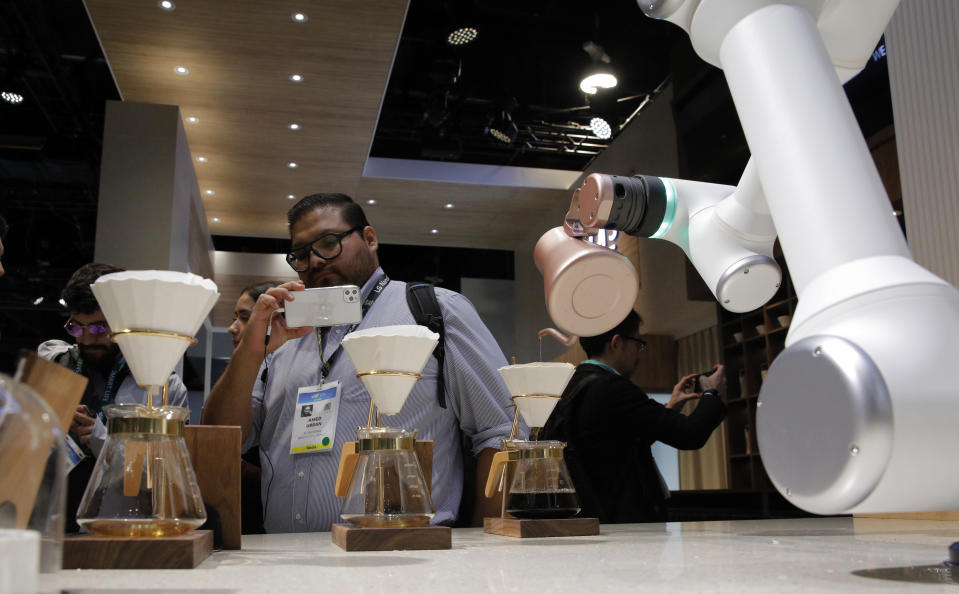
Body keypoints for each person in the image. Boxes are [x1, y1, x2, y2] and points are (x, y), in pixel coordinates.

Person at [202, 193, 517, 532]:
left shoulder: (433, 311)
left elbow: (502, 433)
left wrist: (486, 548)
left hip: (405, 559)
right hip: (287, 562)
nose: (316, 260)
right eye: (302, 254)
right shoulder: (281, 334)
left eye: (328, 242)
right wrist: (249, 350)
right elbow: (220, 438)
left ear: (369, 238)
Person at [38, 262, 190, 532]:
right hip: (47, 527)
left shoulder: (161, 387)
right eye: (76, 327)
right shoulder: (52, 366)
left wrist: (98, 437)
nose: (86, 339)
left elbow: (167, 476)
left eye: (99, 329)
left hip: (121, 529)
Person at [541, 310, 727, 524]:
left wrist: (670, 409)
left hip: (588, 519)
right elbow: (689, 434)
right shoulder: (612, 387)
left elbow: (612, 444)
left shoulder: (570, 387)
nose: (639, 354)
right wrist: (713, 393)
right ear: (617, 342)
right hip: (622, 520)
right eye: (638, 344)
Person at [228, 280, 284, 534]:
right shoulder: (241, 371)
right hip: (238, 514)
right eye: (236, 317)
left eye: (244, 318)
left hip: (268, 511)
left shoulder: (281, 368)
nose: (232, 328)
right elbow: (223, 435)